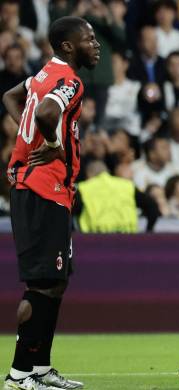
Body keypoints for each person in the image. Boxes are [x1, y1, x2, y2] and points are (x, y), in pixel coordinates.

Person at [3, 15, 100, 390]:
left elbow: (12, 97)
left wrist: (28, 134)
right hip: (41, 189)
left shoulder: (43, 75)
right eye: (89, 39)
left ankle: (40, 369)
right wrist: (52, 143)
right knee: (41, 285)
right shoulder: (70, 81)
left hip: (48, 191)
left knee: (55, 283)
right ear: (67, 47)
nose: (96, 45)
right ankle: (18, 374)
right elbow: (46, 113)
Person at [75, 161, 160, 233]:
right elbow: (152, 207)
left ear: (88, 174)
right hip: (128, 240)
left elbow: (67, 213)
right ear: (107, 171)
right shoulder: (127, 186)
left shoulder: (83, 188)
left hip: (94, 241)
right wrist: (149, 231)